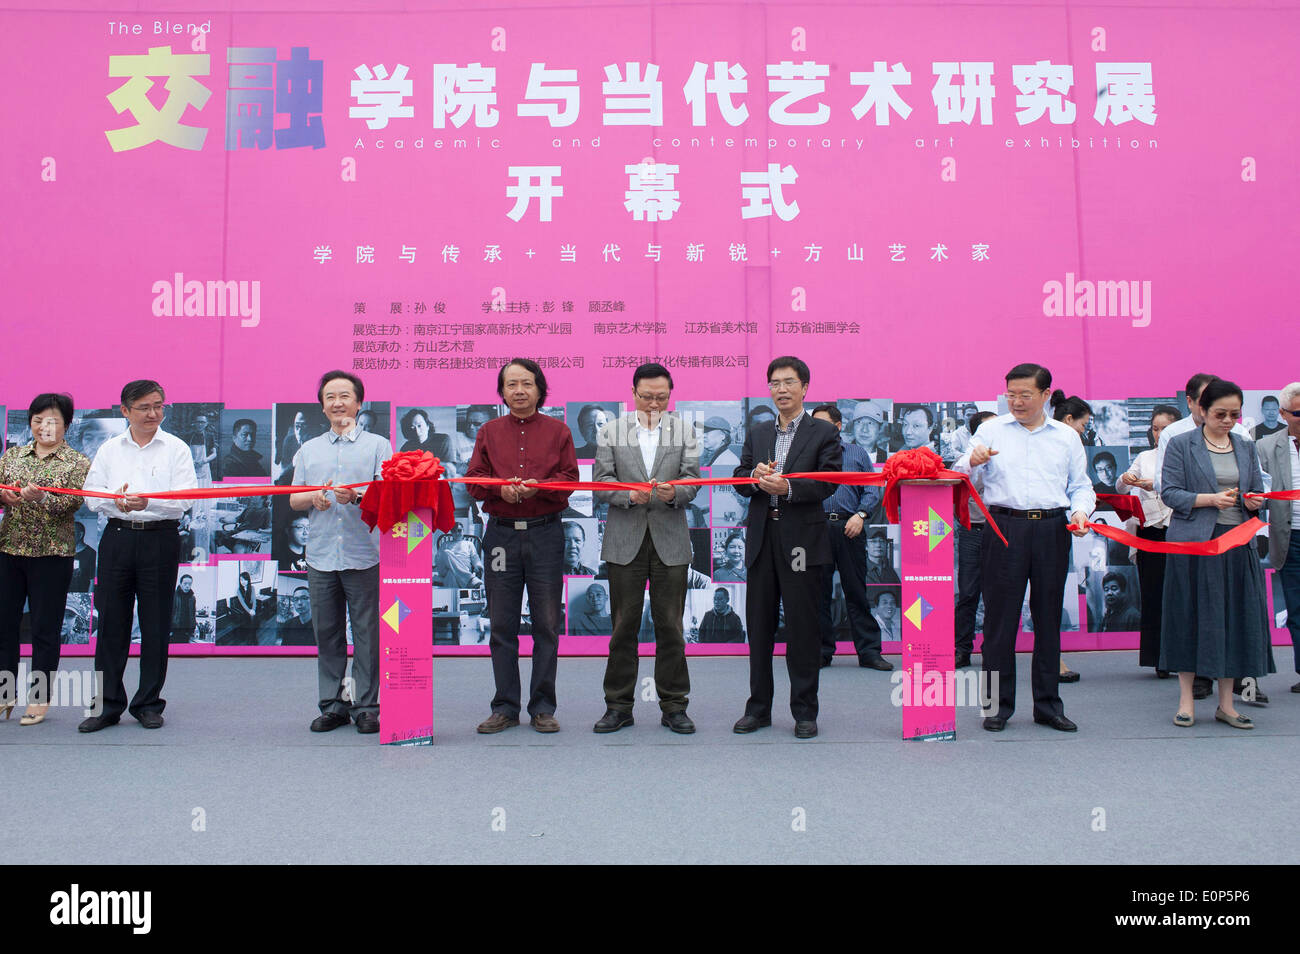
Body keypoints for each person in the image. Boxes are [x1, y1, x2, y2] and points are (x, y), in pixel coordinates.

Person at [953, 363, 1094, 733]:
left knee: (1049, 618)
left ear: (1046, 395)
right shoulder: (990, 430)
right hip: (1003, 527)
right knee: (1000, 621)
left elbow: (1081, 486)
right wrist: (973, 461)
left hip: (1052, 528)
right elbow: (960, 474)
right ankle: (996, 707)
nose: (1015, 401)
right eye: (1010, 394)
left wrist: (1081, 513)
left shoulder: (1066, 436)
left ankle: (1048, 705)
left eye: (1024, 394)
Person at [732, 356, 841, 739]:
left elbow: (829, 481)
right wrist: (753, 477)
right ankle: (758, 709)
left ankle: (805, 712)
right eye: (775, 383)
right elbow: (738, 479)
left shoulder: (822, 433)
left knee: (802, 629)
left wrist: (789, 488)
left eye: (789, 382)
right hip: (763, 539)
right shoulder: (759, 432)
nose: (781, 389)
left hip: (802, 543)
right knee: (759, 628)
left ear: (805, 387)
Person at [78, 380, 197, 732]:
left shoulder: (176, 448)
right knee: (112, 623)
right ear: (125, 410)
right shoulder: (110, 449)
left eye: (158, 406)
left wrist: (150, 502)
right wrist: (113, 500)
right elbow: (90, 494)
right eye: (144, 407)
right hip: (116, 537)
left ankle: (148, 703)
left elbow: (187, 497)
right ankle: (106, 705)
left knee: (156, 623)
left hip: (160, 539)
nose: (152, 413)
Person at [467, 358, 577, 734]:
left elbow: (570, 479)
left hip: (545, 533)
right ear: (502, 392)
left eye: (526, 384)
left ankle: (543, 707)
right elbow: (474, 481)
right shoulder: (489, 431)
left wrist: (538, 487)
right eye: (511, 385)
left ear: (539, 389)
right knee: (501, 623)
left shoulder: (559, 431)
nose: (519, 391)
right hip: (501, 536)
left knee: (546, 624)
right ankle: (505, 707)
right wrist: (500, 488)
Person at [591, 363, 701, 734]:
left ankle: (674, 706)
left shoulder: (684, 431)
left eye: (662, 396)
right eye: (647, 395)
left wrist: (676, 493)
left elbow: (693, 480)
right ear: (633, 393)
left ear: (670, 395)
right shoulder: (611, 431)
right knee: (624, 627)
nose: (654, 402)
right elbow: (601, 482)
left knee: (671, 626)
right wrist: (627, 495)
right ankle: (618, 705)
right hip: (625, 540)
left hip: (670, 539)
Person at [1159, 378, 1272, 729]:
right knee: (1188, 617)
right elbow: (1170, 493)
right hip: (1195, 544)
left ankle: (1227, 704)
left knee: (1234, 619)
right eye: (1220, 414)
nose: (1227, 421)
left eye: (1234, 415)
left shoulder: (1245, 445)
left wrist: (1255, 502)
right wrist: (1209, 500)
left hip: (1237, 543)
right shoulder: (1180, 444)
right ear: (1201, 410)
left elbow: (1255, 491)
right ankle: (1186, 701)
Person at [289, 371, 392, 734]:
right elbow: (294, 497)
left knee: (367, 634)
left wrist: (359, 497)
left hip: (364, 553)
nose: (337, 403)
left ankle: (367, 706)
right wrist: (314, 498)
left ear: (359, 403)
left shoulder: (379, 446)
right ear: (322, 405)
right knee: (328, 634)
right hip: (320, 555)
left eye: (345, 396)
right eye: (330, 397)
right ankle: (333, 705)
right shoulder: (309, 449)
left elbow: (388, 495)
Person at [0, 393, 91, 726]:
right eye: (37, 420)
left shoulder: (77, 462)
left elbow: (71, 506)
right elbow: (2, 491)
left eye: (51, 420)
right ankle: (4, 693)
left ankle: (39, 698)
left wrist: (41, 499)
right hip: (8, 550)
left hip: (52, 555)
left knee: (44, 629)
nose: (43, 427)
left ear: (66, 424)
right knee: (4, 626)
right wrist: (4, 495)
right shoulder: (12, 455)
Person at [810, 401, 891, 666]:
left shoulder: (856, 453)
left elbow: (872, 489)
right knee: (818, 593)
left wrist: (861, 515)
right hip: (816, 529)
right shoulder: (807, 454)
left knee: (856, 591)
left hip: (851, 527)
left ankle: (869, 652)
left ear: (838, 426)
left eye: (824, 424)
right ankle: (821, 651)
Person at [1120, 404, 1179, 675]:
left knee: (1182, 594)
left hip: (1181, 530)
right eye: (1155, 429)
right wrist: (1127, 478)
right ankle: (1158, 658)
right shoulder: (1145, 456)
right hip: (1150, 532)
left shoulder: (1187, 455)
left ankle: (1186, 656)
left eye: (1165, 428)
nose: (1159, 434)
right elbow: (1121, 486)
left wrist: (1153, 484)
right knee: (1154, 594)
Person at [1255, 382, 1300, 694]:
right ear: (1283, 414)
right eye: (1298, 412)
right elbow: (1261, 495)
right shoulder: (1266, 446)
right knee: (1297, 609)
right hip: (1290, 537)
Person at [1049, 391, 1094, 682]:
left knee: (1049, 598)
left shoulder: (1070, 445)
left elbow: (1080, 486)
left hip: (1058, 528)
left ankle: (1053, 658)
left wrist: (1080, 511)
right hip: (1028, 527)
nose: (1084, 431)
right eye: (1083, 425)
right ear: (1068, 419)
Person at [954, 410, 998, 669]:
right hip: (972, 530)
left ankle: (993, 649)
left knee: (999, 593)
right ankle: (962, 648)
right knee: (968, 592)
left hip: (1002, 529)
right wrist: (977, 460)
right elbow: (960, 473)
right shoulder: (965, 460)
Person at [216, 570, 271, 645]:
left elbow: (254, 600)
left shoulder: (252, 588)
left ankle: (251, 637)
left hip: (252, 608)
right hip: (243, 609)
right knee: (252, 618)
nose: (243, 581)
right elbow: (242, 603)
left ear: (248, 580)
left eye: (245, 579)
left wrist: (253, 609)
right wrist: (249, 611)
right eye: (241, 580)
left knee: (253, 617)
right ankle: (253, 637)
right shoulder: (239, 590)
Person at [434, 523, 482, 588]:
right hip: (445, 569)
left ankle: (452, 596)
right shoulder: (445, 544)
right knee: (446, 552)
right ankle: (470, 579)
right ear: (451, 533)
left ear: (463, 531)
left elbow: (475, 557)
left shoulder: (469, 544)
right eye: (454, 531)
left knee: (452, 574)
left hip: (463, 568)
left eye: (459, 530)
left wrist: (478, 565)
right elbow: (438, 559)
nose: (457, 533)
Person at [69, 521, 97, 592]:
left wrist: (89, 598)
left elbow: (92, 580)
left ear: (80, 534)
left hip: (82, 597)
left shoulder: (91, 553)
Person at [168, 574, 197, 643]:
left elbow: (193, 614)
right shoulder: (173, 596)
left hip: (186, 631)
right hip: (174, 630)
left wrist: (192, 629)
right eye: (185, 584)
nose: (187, 586)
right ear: (180, 584)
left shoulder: (192, 598)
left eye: (189, 584)